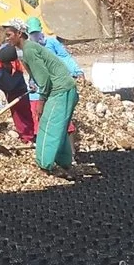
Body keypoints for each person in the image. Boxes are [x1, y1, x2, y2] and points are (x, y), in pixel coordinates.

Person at [5, 22, 79, 173]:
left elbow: (44, 78)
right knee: (58, 126)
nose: (7, 39)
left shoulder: (29, 50)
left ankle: (44, 165)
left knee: (48, 125)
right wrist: (33, 83)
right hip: (63, 88)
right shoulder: (28, 50)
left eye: (9, 35)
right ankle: (64, 162)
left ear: (19, 33)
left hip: (61, 90)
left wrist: (41, 100)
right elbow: (40, 74)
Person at [0, 44, 36, 143]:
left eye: (6, 64)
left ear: (12, 62)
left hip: (17, 85)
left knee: (23, 110)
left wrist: (32, 83)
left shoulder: (22, 60)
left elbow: (32, 70)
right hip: (0, 82)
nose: (4, 66)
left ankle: (28, 137)